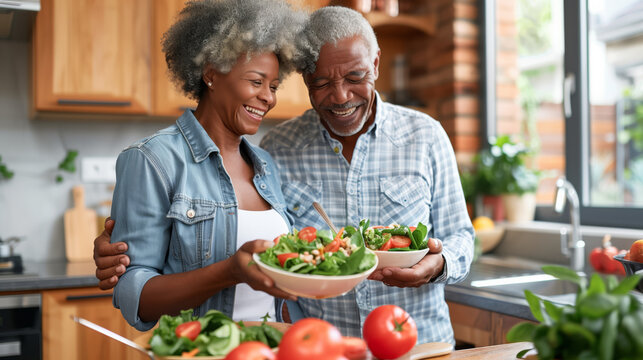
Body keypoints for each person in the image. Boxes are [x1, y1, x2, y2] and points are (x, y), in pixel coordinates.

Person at [96, 5, 474, 345]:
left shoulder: (266, 162)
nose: (340, 96)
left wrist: (438, 264)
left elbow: (460, 236)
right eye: (322, 83)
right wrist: (126, 259)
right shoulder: (273, 150)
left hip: (409, 344)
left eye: (273, 86)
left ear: (376, 64)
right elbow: (138, 287)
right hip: (286, 348)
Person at [105, 0, 304, 331]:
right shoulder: (153, 160)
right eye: (256, 82)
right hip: (202, 350)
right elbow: (134, 295)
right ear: (211, 73)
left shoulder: (266, 164)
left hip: (272, 347)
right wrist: (229, 272)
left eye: (273, 86)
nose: (268, 98)